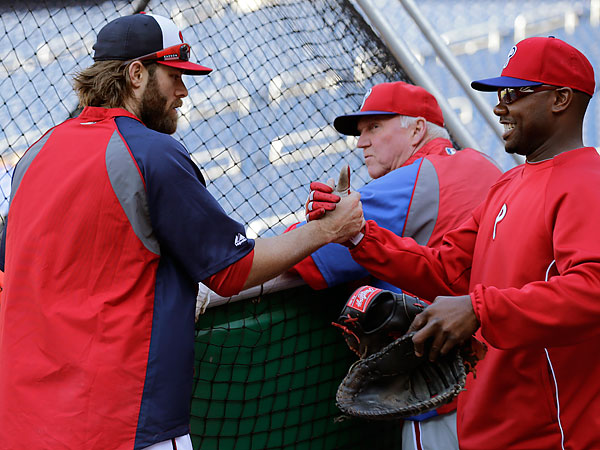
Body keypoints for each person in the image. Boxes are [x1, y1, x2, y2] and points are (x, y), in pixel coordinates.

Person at [0, 13, 364, 450]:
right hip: (125, 423)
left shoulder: (34, 155)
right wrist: (327, 230)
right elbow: (232, 271)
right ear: (137, 74)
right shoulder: (151, 153)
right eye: (174, 76)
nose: (183, 91)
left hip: (28, 426)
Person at [324, 36, 599, 449]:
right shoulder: (507, 183)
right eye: (499, 95)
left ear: (560, 99)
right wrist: (359, 233)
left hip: (551, 433)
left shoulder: (586, 183)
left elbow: (592, 290)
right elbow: (447, 268)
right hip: (485, 423)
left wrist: (478, 308)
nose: (500, 107)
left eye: (513, 94)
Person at [290, 81, 502, 449]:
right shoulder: (486, 165)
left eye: (374, 127)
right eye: (360, 132)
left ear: (417, 129)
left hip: (442, 395)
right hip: (505, 379)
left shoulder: (413, 180)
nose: (361, 142)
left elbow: (304, 255)